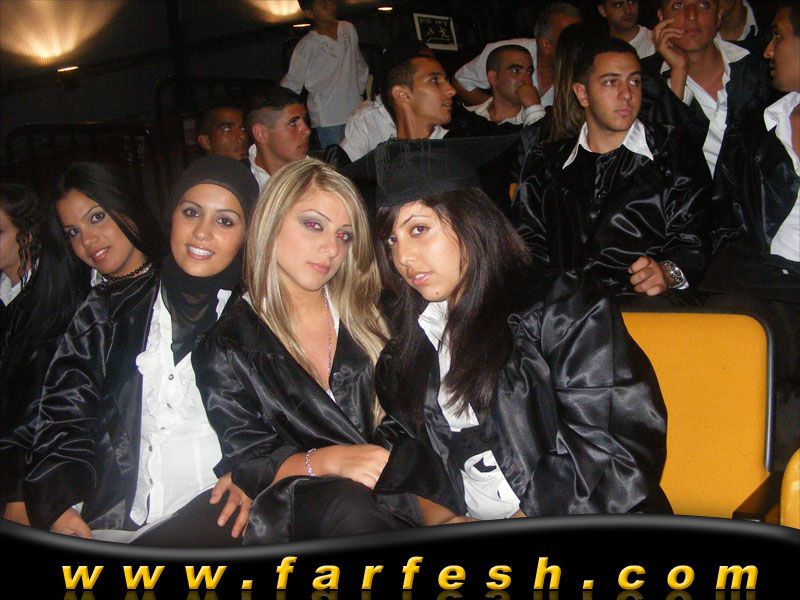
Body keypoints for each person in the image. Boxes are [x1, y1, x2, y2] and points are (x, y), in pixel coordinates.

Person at [368, 138, 671, 520]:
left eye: (418, 229)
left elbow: (613, 443)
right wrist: (444, 521)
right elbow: (409, 453)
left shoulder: (561, 309)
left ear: (471, 221)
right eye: (391, 239)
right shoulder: (411, 346)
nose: (402, 257)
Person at [25, 155, 259, 547]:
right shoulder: (108, 311)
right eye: (191, 213)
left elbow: (289, 418)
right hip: (119, 520)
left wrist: (255, 470)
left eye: (225, 221)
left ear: (247, 234)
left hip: (219, 515)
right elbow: (65, 414)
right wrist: (60, 502)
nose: (202, 232)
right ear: (172, 217)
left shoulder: (260, 316)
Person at [192, 158, 420, 543]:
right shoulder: (227, 345)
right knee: (352, 510)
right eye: (313, 225)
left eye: (344, 235)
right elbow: (250, 460)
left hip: (399, 484)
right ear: (271, 221)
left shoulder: (376, 314)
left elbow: (416, 413)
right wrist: (329, 460)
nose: (331, 248)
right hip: (306, 504)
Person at [512, 36, 711, 303]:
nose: (627, 94)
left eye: (635, 81)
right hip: (567, 310)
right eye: (610, 82)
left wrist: (667, 272)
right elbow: (528, 247)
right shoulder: (546, 163)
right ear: (582, 94)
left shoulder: (672, 150)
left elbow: (694, 238)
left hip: (648, 305)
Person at [701, 0, 800, 468]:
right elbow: (722, 216)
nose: (767, 50)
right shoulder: (759, 126)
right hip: (761, 283)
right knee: (733, 349)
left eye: (779, 36)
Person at [0, 184, 88, 526]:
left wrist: (17, 492)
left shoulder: (52, 299)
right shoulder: (8, 296)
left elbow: (39, 402)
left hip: (32, 467)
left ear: (28, 234)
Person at [644, 0, 775, 176]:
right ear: (661, 17)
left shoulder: (760, 65)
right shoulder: (643, 81)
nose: (691, 15)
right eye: (678, 5)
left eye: (704, 4)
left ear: (719, 15)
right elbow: (665, 162)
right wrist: (678, 74)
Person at [53, 162, 164, 287]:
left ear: (126, 206)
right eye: (74, 232)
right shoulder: (74, 295)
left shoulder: (176, 281)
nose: (86, 241)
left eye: (96, 217)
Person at [453, 2, 582, 107]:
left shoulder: (585, 66)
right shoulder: (505, 53)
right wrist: (497, 110)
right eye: (571, 40)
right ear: (546, 45)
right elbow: (461, 81)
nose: (579, 46)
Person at [281, 0, 369, 149]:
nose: (331, 6)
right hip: (329, 120)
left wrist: (358, 93)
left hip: (355, 112)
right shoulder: (306, 46)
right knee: (336, 160)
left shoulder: (348, 29)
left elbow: (359, 64)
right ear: (310, 13)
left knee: (362, 158)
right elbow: (292, 84)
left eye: (331, 1)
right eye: (323, 5)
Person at [339, 38, 434, 162]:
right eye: (433, 79)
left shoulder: (435, 114)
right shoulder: (367, 119)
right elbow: (345, 168)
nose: (449, 90)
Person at [454, 44, 546, 129]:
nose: (527, 79)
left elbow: (542, 139)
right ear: (494, 78)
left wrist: (534, 107)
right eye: (516, 71)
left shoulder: (542, 119)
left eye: (529, 72)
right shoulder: (464, 119)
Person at [246, 86, 311, 192]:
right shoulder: (237, 182)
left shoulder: (320, 180)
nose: (307, 130)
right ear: (261, 134)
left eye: (305, 120)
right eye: (293, 123)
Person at [382, 54, 456, 140]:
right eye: (434, 80)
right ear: (402, 94)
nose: (452, 91)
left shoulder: (463, 144)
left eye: (447, 81)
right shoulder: (381, 148)